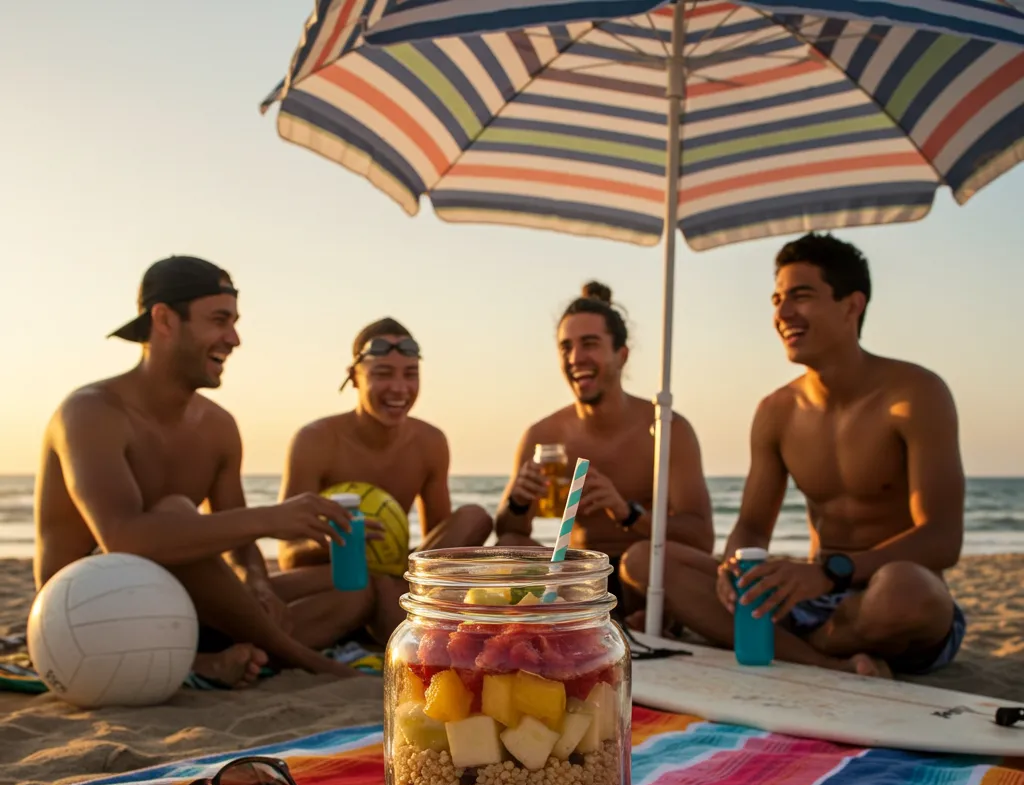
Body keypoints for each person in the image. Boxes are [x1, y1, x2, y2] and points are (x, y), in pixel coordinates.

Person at [35, 255, 377, 687]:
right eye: (219, 320)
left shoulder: (218, 426)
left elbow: (238, 544)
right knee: (176, 511)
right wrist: (273, 518)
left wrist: (256, 582)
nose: (234, 339)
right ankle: (293, 657)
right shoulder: (91, 412)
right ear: (164, 320)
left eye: (234, 322)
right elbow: (124, 537)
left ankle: (220, 655)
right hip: (82, 620)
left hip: (174, 604)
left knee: (354, 590)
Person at [657, 232, 967, 678]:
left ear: (851, 305)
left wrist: (831, 571)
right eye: (777, 299)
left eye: (800, 296)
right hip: (810, 599)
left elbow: (942, 538)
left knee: (906, 590)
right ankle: (828, 661)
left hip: (884, 597)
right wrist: (733, 569)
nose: (782, 314)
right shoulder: (776, 411)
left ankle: (795, 649)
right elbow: (752, 526)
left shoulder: (915, 395)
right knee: (652, 562)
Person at [494, 282, 714, 615]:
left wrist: (628, 513)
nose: (575, 358)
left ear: (621, 355)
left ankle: (647, 622)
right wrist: (518, 502)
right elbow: (509, 532)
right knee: (510, 547)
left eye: (590, 344)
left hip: (646, 585)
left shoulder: (666, 429)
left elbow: (700, 537)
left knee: (641, 559)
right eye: (566, 347)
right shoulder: (542, 435)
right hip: (578, 585)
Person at [278, 317, 493, 641]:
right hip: (335, 578)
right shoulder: (315, 441)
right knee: (356, 585)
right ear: (355, 377)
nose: (399, 388)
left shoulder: (430, 442)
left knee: (474, 517)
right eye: (383, 374)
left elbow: (437, 555)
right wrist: (336, 539)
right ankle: (396, 620)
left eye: (410, 374)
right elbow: (288, 554)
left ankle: (398, 614)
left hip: (398, 576)